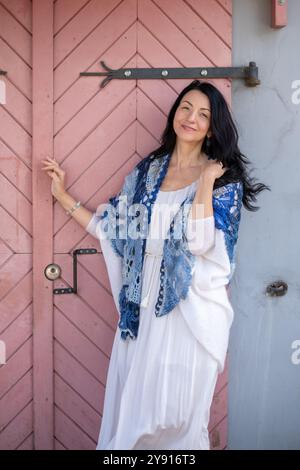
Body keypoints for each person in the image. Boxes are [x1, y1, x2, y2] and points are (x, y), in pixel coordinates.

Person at [42, 80, 270, 450]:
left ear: (213, 127)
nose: (191, 118)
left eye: (203, 114)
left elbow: (201, 244)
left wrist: (204, 183)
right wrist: (63, 197)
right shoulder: (149, 173)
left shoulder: (223, 181)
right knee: (133, 423)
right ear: (174, 112)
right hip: (141, 314)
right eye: (185, 107)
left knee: (178, 422)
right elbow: (112, 230)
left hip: (190, 317)